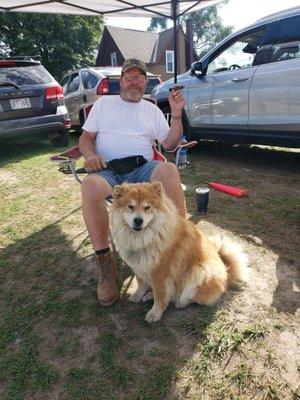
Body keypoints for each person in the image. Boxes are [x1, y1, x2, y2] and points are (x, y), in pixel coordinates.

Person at [79, 58, 185, 307]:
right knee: (90, 186)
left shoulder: (152, 109)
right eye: (129, 75)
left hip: (143, 169)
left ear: (145, 82)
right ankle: (106, 264)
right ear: (121, 80)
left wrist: (177, 115)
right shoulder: (104, 104)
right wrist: (90, 155)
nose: (134, 80)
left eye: (140, 76)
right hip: (110, 170)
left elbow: (169, 145)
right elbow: (85, 138)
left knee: (169, 170)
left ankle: (178, 246)